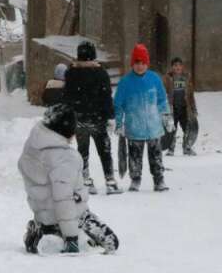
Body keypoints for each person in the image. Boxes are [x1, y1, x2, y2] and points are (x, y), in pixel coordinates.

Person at [18, 104, 120, 254]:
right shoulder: (65, 158)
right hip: (75, 216)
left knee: (51, 217)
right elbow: (64, 200)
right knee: (112, 243)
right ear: (65, 131)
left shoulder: (33, 146)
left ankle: (42, 229)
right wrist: (71, 238)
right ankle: (63, 233)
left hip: (42, 213)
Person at [64, 41, 120, 195]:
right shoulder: (101, 73)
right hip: (98, 118)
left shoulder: (71, 73)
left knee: (82, 151)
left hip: (79, 118)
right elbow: (106, 96)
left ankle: (86, 180)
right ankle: (110, 181)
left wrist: (68, 117)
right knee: (105, 150)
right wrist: (110, 116)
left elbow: (67, 97)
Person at [112, 44, 170, 192]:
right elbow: (118, 105)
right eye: (137, 63)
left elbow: (162, 100)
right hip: (134, 126)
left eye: (143, 63)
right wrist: (119, 123)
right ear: (132, 63)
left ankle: (159, 179)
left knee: (156, 155)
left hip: (154, 127)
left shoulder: (154, 79)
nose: (140, 66)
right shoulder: (126, 82)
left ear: (147, 63)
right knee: (134, 155)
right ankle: (135, 179)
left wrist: (166, 117)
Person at [160, 57, 199, 157]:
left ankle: (187, 147)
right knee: (172, 129)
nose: (177, 67)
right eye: (175, 65)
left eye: (179, 65)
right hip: (172, 108)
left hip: (184, 108)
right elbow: (162, 93)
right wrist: (163, 109)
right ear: (172, 67)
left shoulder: (186, 77)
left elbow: (190, 95)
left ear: (182, 67)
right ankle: (171, 149)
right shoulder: (167, 78)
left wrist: (193, 108)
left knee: (187, 128)